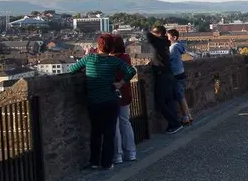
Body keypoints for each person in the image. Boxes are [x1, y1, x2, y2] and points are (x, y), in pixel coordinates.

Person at [67, 37, 137, 170]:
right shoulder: (114, 60)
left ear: (98, 46)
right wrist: (120, 83)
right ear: (111, 48)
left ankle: (94, 161)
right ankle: (107, 162)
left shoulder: (89, 59)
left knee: (96, 132)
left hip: (94, 101)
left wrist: (86, 68)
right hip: (110, 100)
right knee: (109, 133)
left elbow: (72, 69)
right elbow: (131, 71)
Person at [143, 26, 182, 134]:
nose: (152, 33)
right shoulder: (165, 42)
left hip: (162, 75)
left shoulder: (159, 41)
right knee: (169, 101)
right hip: (168, 73)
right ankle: (173, 124)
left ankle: (175, 123)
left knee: (160, 102)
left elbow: (146, 34)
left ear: (159, 34)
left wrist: (146, 29)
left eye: (154, 32)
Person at [108, 35, 137, 164]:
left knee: (115, 124)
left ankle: (117, 154)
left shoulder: (110, 60)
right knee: (125, 122)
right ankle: (131, 152)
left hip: (113, 93)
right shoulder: (126, 57)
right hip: (125, 93)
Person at [167, 29, 192, 126]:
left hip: (176, 74)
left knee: (180, 96)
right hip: (180, 73)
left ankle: (186, 116)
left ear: (174, 38)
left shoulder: (173, 48)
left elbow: (167, 59)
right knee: (180, 95)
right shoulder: (179, 46)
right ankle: (188, 115)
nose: (167, 39)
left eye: (168, 37)